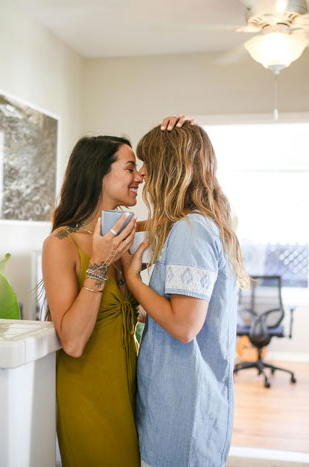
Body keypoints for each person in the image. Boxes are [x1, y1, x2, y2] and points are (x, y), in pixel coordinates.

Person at [42, 117, 188, 467]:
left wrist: (184, 137)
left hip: (131, 390)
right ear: (99, 175)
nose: (140, 176)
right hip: (89, 395)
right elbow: (73, 342)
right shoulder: (60, 244)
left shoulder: (122, 234)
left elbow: (186, 213)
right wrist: (98, 263)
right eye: (130, 168)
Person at [124, 122, 249, 466]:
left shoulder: (190, 231)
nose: (143, 173)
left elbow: (184, 326)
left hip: (182, 407)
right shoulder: (199, 223)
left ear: (169, 167)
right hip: (193, 401)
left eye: (148, 162)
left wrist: (134, 280)